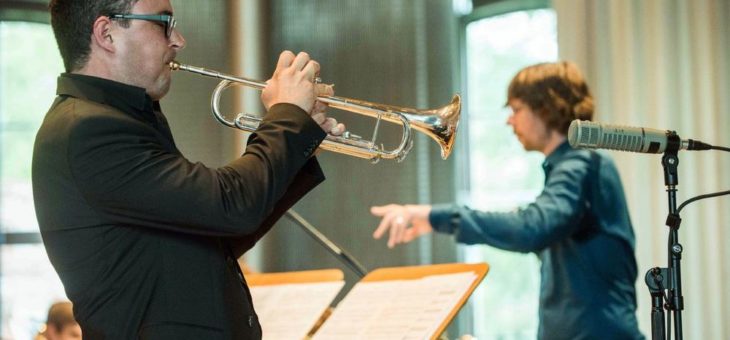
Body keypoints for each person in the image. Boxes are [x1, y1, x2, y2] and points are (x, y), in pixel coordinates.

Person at [34, 0, 343, 339]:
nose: (179, 39)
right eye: (163, 22)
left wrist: (298, 137)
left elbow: (211, 238)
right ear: (107, 33)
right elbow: (231, 206)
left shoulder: (116, 119)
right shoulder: (89, 130)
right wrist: (286, 116)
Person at [371, 61, 644, 339]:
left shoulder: (583, 164)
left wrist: (433, 216)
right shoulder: (572, 169)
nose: (509, 120)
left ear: (546, 107)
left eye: (516, 109)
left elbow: (530, 229)